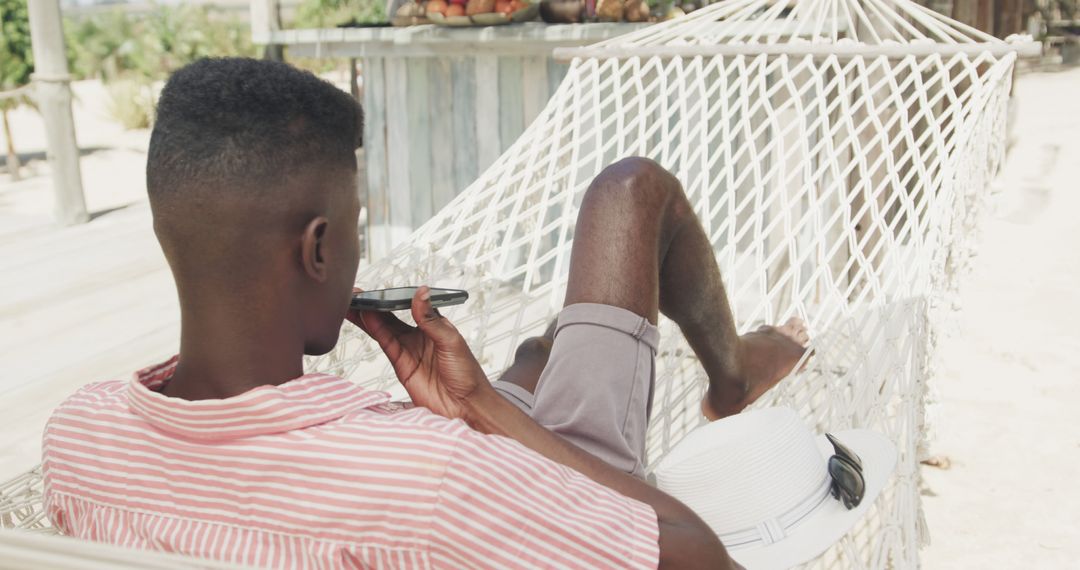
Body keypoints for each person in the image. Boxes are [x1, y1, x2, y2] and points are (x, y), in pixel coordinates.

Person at [41, 58, 807, 569]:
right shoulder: (426, 476)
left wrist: (467, 410)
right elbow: (702, 557)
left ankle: (539, 362)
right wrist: (484, 415)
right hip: (512, 502)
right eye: (354, 230)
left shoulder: (79, 437)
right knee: (631, 191)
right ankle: (730, 376)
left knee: (540, 353)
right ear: (317, 251)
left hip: (429, 475)